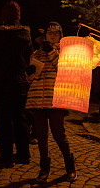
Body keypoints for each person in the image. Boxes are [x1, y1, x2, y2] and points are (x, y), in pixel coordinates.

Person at [26, 21, 77, 183]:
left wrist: (52, 52)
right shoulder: (36, 53)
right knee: (41, 136)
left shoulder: (65, 52)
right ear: (45, 35)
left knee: (59, 134)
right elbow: (31, 79)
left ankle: (70, 166)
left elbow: (63, 69)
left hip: (55, 99)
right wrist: (29, 74)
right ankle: (44, 169)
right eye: (49, 33)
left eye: (55, 33)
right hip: (37, 100)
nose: (52, 35)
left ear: (60, 36)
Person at [0, 1, 32, 168]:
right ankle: (24, 154)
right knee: (20, 119)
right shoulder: (26, 36)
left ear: (4, 16)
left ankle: (6, 157)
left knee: (3, 121)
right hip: (19, 83)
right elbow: (28, 59)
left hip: (2, 83)